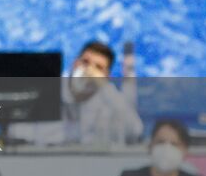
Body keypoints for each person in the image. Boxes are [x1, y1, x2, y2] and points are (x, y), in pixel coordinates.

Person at [8, 40, 142, 147]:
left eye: (98, 68)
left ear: (106, 76)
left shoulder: (109, 101)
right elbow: (14, 133)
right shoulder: (46, 91)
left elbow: (135, 131)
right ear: (75, 63)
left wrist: (104, 87)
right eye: (85, 62)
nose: (89, 71)